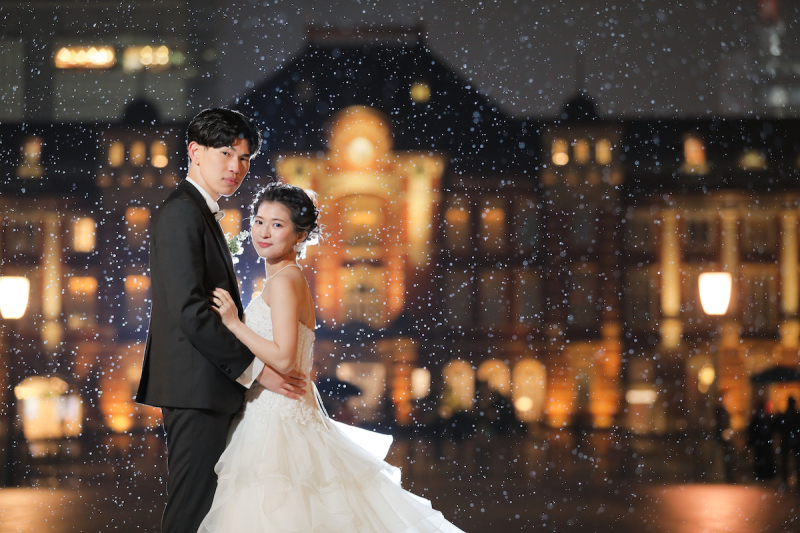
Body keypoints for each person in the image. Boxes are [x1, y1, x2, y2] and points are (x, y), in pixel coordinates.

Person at [198, 182, 465, 532]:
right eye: (259, 221)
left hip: (276, 420)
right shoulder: (287, 278)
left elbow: (282, 358)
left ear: (300, 235)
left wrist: (233, 323)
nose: (263, 232)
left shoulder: (283, 282)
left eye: (278, 224)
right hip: (279, 411)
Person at [135, 108, 307, 533]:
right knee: (191, 508)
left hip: (207, 386)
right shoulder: (181, 213)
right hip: (195, 388)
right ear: (194, 152)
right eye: (226, 153)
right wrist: (255, 371)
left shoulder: (201, 211)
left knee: (207, 509)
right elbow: (190, 311)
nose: (236, 167)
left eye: (245, 158)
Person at [776, 396, 800, 485]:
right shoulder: (794, 415)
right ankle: (787, 479)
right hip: (793, 439)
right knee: (794, 460)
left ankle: (785, 479)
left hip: (788, 439)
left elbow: (779, 427)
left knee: (786, 461)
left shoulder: (786, 415)